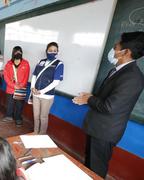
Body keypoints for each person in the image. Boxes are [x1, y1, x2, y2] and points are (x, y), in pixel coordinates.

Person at [73, 31, 144, 178]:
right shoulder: (117, 70)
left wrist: (90, 99)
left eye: (116, 46)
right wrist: (89, 97)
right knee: (90, 163)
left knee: (96, 168)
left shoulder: (132, 77)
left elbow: (110, 107)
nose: (113, 49)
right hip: (97, 127)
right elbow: (104, 98)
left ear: (126, 52)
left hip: (105, 132)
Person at [30, 42, 64, 134]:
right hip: (36, 94)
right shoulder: (41, 62)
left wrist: (41, 91)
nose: (52, 52)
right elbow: (34, 75)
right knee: (36, 115)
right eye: (50, 50)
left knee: (43, 117)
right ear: (46, 51)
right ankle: (35, 132)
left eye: (54, 51)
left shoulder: (59, 64)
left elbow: (56, 82)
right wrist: (32, 87)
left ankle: (41, 134)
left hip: (47, 96)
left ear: (57, 52)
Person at [3, 46, 30, 127]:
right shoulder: (8, 63)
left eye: (20, 52)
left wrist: (21, 86)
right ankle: (9, 116)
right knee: (10, 103)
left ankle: (18, 118)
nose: (18, 53)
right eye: (16, 52)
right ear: (13, 53)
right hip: (10, 88)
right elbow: (6, 76)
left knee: (19, 104)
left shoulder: (26, 63)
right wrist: (13, 85)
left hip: (21, 88)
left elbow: (26, 76)